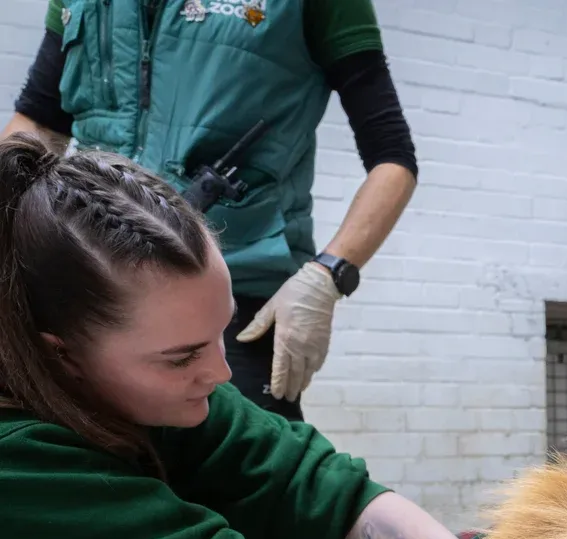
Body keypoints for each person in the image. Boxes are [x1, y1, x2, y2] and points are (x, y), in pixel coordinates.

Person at [0, 133, 475, 539]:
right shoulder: (16, 468)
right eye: (182, 358)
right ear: (61, 353)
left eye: (219, 333)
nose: (221, 373)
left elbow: (304, 480)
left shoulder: (147, 393)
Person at [2, 0, 420, 421]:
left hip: (235, 298)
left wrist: (327, 275)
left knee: (252, 455)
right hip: (85, 294)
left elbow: (393, 157)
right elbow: (36, 125)